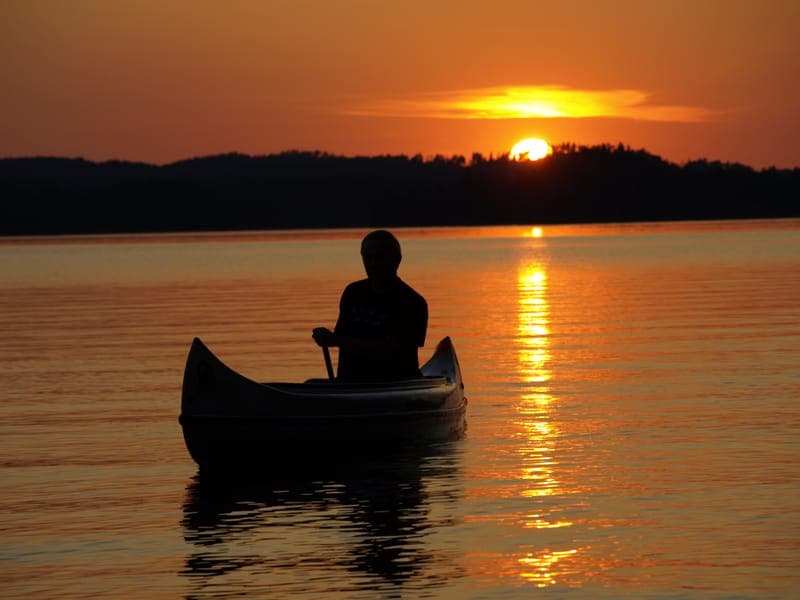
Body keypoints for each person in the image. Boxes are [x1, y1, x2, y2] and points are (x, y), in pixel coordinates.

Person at [312, 230, 428, 382]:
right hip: (349, 384)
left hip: (395, 385)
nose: (373, 264)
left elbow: (394, 350)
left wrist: (336, 340)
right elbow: (341, 336)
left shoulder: (413, 303)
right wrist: (327, 337)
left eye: (379, 257)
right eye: (368, 258)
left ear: (396, 260)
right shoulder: (352, 292)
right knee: (311, 383)